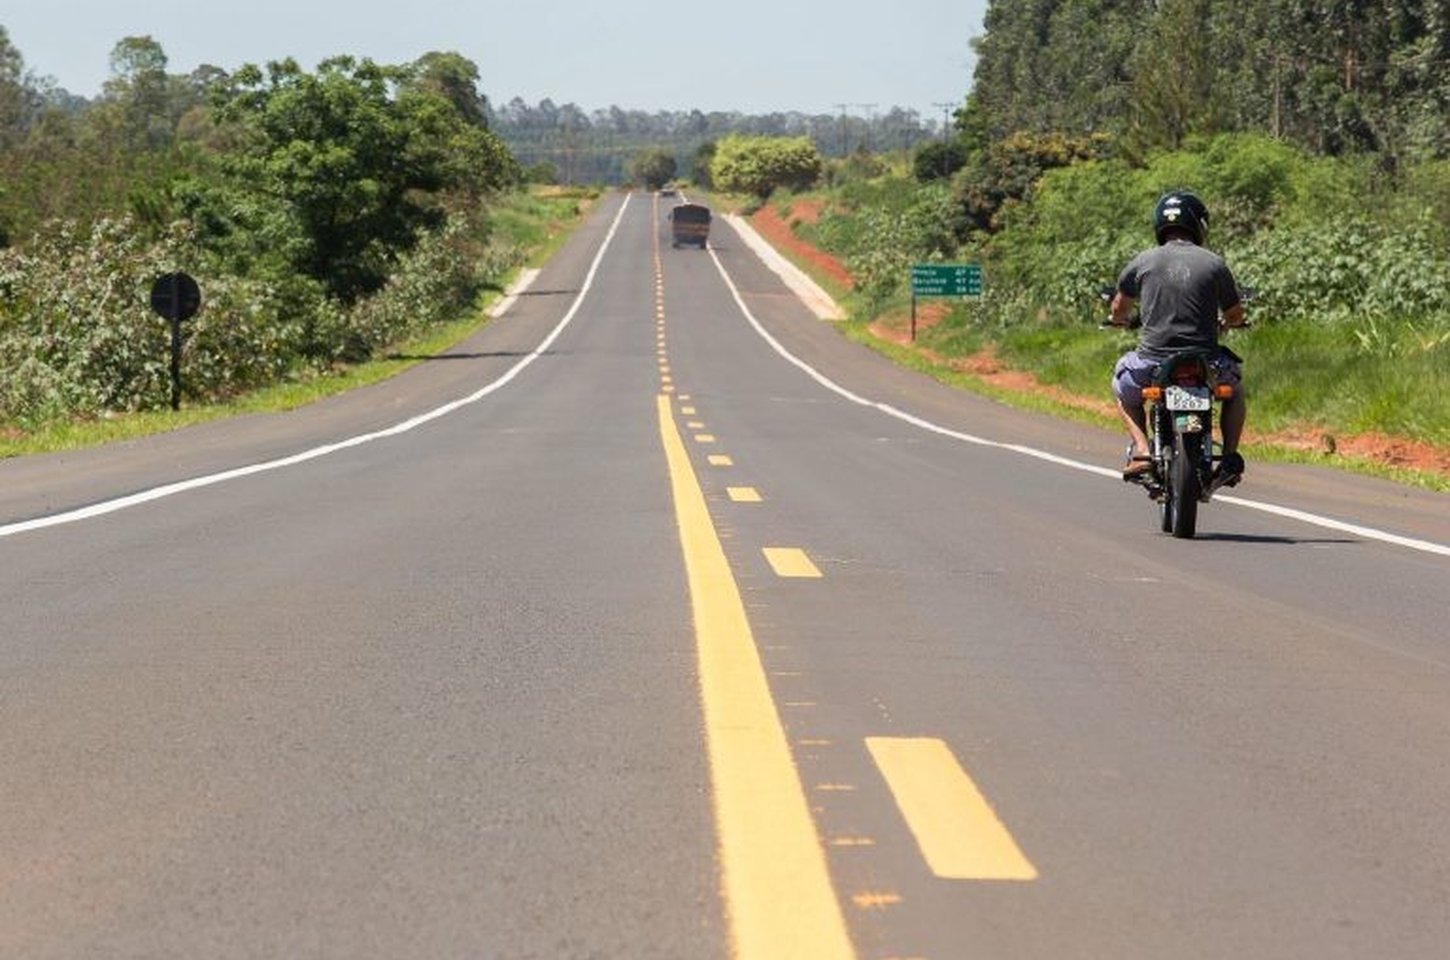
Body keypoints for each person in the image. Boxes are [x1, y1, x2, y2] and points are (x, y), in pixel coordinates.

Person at [1108, 190, 1248, 483]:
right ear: (1198, 225)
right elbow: (1235, 315)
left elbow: (1119, 307)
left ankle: (1142, 450)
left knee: (1121, 385)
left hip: (1152, 365)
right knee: (1235, 392)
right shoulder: (1214, 263)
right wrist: (1230, 322)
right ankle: (1230, 455)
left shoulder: (1142, 261)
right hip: (1207, 364)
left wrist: (1118, 320)